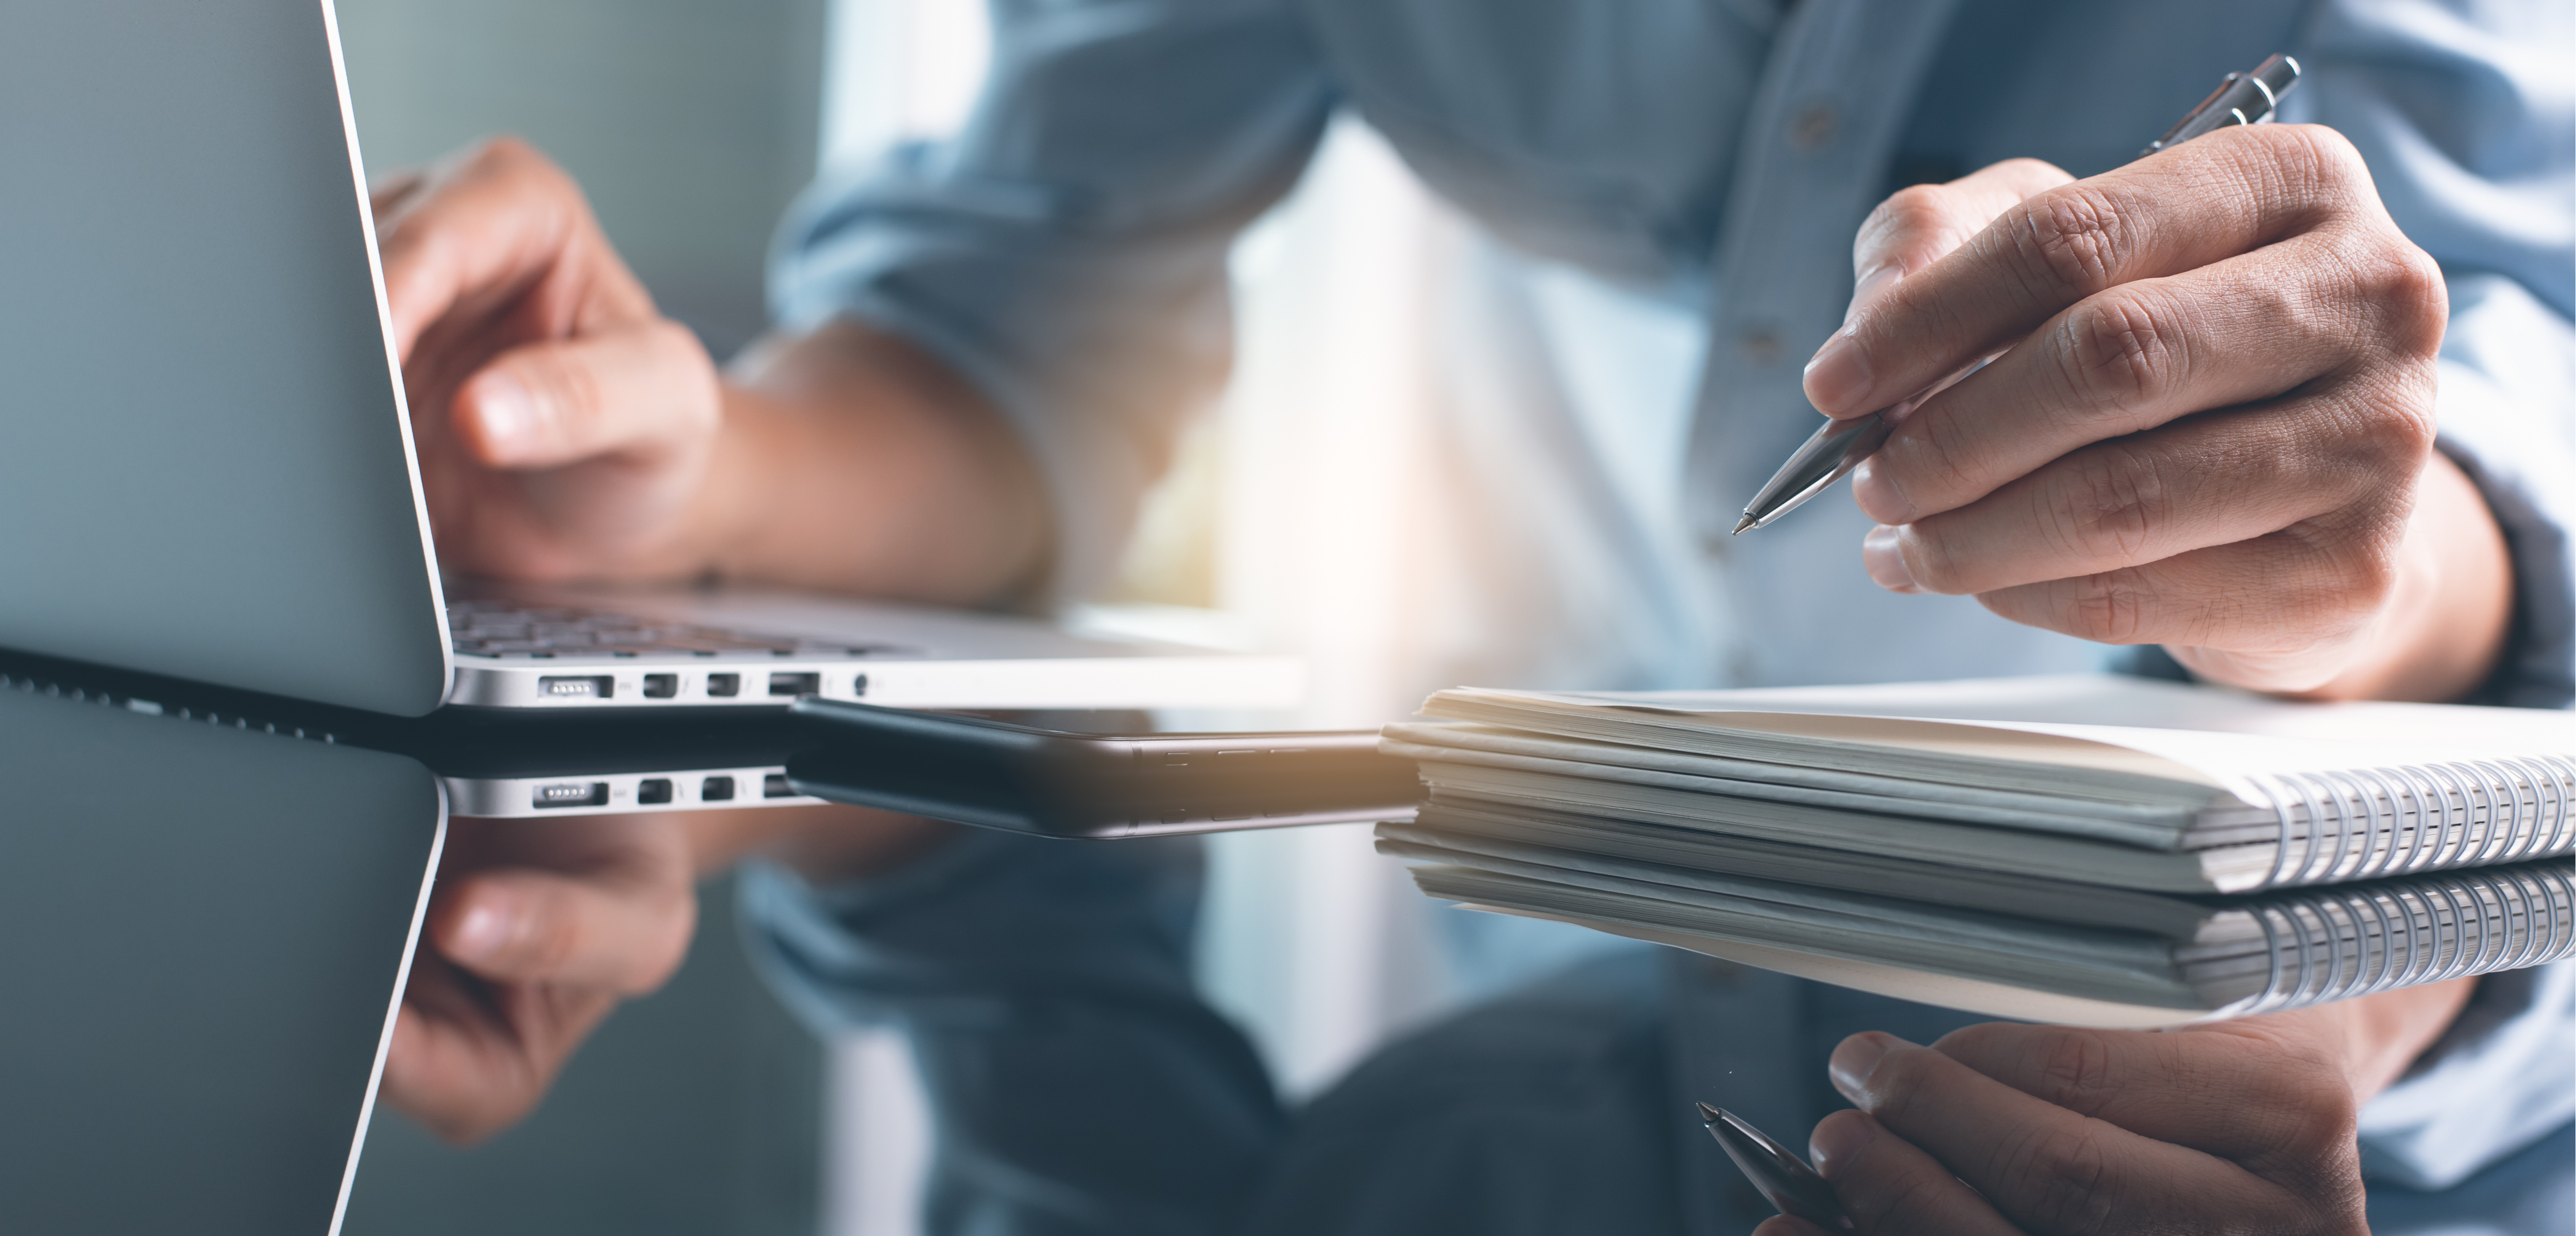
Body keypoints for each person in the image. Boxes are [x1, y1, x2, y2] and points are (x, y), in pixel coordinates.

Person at [370, 0, 2575, 1232]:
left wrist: (2386, 565)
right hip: (1553, 816)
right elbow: (1017, 317)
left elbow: (2487, 367)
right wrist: (699, 467)